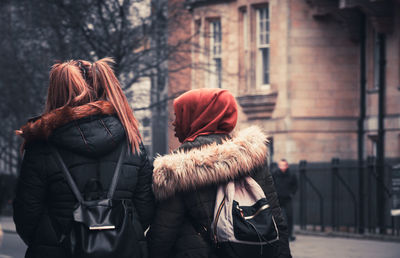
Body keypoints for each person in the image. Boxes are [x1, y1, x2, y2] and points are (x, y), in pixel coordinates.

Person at [13, 58, 155, 258]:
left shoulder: (41, 146)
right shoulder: (131, 140)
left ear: (55, 92)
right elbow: (146, 209)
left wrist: (50, 241)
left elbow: (26, 216)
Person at [148, 88, 291, 258]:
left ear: (197, 116)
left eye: (180, 114)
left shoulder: (178, 168)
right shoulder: (251, 158)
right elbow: (275, 218)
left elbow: (164, 232)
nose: (173, 122)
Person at [272, 159, 298, 241]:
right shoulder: (274, 174)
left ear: (287, 166)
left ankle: (289, 235)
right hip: (277, 199)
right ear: (278, 166)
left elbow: (295, 185)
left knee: (289, 216)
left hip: (287, 199)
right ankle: (276, 235)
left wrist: (291, 193)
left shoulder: (291, 174)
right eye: (281, 165)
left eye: (284, 165)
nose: (282, 167)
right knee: (276, 217)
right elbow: (271, 184)